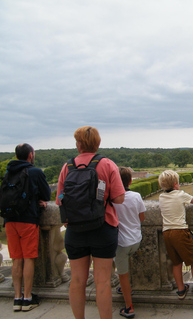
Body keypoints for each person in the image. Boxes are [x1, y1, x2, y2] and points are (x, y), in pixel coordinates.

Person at [56, 126, 125, 319]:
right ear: (98, 143)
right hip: (103, 226)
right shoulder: (107, 164)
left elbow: (60, 201)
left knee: (77, 280)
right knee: (102, 282)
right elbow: (119, 199)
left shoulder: (67, 167)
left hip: (75, 230)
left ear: (78, 144)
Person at [3, 143, 50, 312]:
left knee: (16, 259)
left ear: (17, 156)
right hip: (28, 219)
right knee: (28, 258)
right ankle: (27, 298)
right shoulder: (35, 172)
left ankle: (17, 298)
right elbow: (46, 195)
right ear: (30, 155)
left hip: (9, 220)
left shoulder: (9, 172)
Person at [158, 170, 193, 299]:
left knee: (176, 262)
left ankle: (181, 290)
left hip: (167, 233)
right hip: (180, 232)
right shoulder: (180, 195)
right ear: (176, 184)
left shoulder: (161, 197)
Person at [113, 167, 146, 318]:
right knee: (124, 271)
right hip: (136, 240)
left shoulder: (112, 199)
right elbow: (142, 218)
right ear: (131, 181)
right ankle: (125, 289)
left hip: (121, 243)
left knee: (123, 276)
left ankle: (129, 307)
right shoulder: (136, 195)